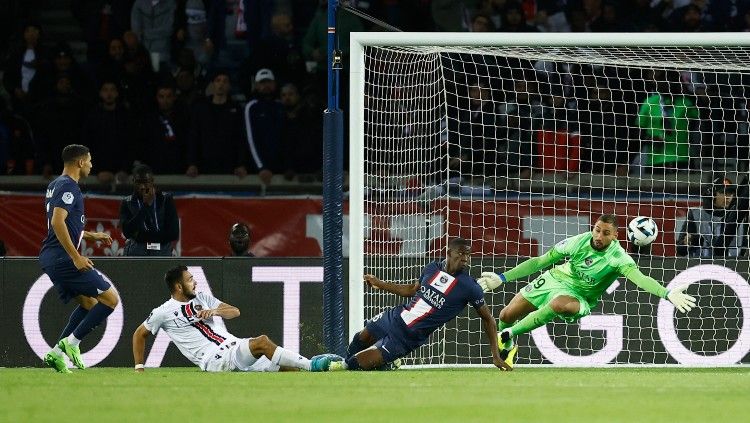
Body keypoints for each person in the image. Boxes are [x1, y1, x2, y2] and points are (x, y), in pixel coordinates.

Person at [477, 214, 697, 369]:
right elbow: (539, 262)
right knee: (505, 315)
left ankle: (509, 333)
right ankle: (508, 343)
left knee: (558, 304)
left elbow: (641, 280)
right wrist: (502, 277)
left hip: (580, 297)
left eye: (606, 233)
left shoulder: (618, 258)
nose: (599, 236)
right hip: (554, 279)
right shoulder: (578, 242)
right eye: (597, 230)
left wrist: (667, 294)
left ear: (616, 236)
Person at [329, 238, 510, 372]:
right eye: (461, 253)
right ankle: (343, 365)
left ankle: (387, 362)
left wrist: (495, 355)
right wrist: (380, 283)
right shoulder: (432, 268)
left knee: (355, 365)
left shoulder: (470, 287)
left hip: (407, 337)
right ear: (449, 253)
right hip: (395, 317)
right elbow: (411, 289)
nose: (465, 258)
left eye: (468, 255)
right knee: (359, 338)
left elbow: (488, 320)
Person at [132, 265, 341, 372]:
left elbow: (234, 311)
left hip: (233, 345)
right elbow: (139, 334)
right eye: (190, 280)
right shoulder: (163, 312)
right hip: (214, 358)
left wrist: (214, 312)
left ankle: (314, 370)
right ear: (178, 287)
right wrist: (139, 367)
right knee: (262, 342)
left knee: (287, 368)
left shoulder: (202, 298)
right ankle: (313, 365)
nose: (195, 282)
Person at [39, 144, 121, 373]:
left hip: (51, 257)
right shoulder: (69, 187)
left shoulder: (55, 184)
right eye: (90, 161)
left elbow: (64, 222)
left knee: (88, 304)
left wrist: (91, 235)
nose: (92, 165)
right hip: (63, 258)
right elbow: (57, 222)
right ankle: (71, 343)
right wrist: (76, 257)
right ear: (81, 162)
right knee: (110, 300)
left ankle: (56, 354)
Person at [676, 176, 745, 257]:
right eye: (724, 193)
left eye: (731, 193)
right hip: (702, 267)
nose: (728, 197)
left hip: (733, 267)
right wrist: (687, 242)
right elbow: (680, 250)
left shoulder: (740, 216)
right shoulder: (696, 214)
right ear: (713, 194)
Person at [119, 164, 180, 256]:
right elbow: (127, 232)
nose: (142, 186)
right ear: (133, 181)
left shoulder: (165, 199)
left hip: (160, 249)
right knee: (135, 246)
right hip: (136, 251)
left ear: (152, 181)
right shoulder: (127, 202)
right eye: (139, 182)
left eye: (146, 182)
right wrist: (146, 205)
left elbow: (173, 233)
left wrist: (142, 237)